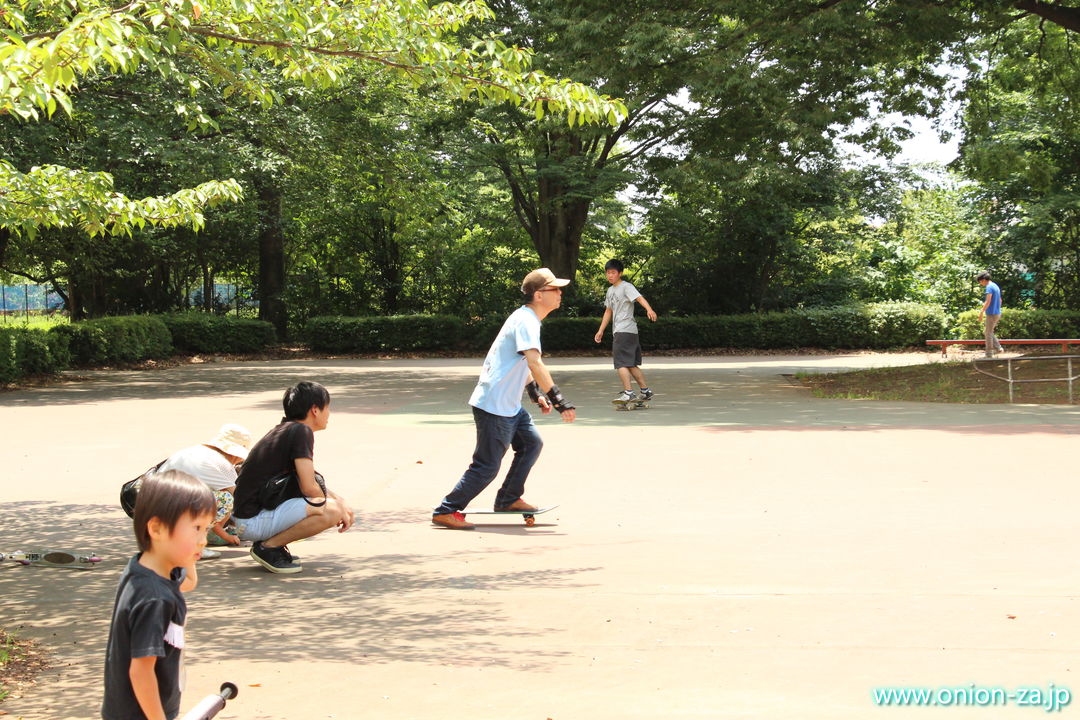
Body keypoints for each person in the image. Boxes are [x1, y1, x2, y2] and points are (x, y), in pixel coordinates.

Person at [432, 267, 577, 530]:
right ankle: (447, 510)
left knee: (531, 444)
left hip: (508, 405)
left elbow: (518, 363)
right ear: (538, 294)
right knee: (487, 466)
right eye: (554, 289)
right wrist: (559, 401)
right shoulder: (526, 320)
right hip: (494, 405)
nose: (559, 293)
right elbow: (534, 362)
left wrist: (534, 393)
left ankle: (509, 498)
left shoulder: (528, 319)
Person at [102, 470, 215, 720]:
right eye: (196, 528)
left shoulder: (144, 568)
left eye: (206, 529)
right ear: (156, 528)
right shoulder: (154, 598)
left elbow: (190, 582)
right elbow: (140, 672)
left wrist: (190, 552)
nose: (203, 540)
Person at [232, 381, 354, 574]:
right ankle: (268, 548)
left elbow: (310, 479)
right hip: (251, 522)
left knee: (333, 505)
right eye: (327, 407)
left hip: (247, 518)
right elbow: (309, 488)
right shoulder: (301, 432)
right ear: (315, 410)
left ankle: (272, 545)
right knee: (330, 510)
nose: (329, 413)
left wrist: (340, 501)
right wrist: (338, 509)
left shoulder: (286, 430)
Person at [155, 424, 252, 559]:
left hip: (153, 506)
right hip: (172, 510)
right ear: (234, 453)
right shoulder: (221, 463)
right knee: (226, 499)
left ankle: (200, 536)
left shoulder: (194, 451)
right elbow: (240, 499)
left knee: (209, 495)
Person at [593, 258, 658, 404]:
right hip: (624, 331)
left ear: (620, 273)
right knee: (630, 363)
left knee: (620, 363)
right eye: (607, 273)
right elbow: (608, 311)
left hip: (625, 330)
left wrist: (649, 309)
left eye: (613, 273)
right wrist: (601, 330)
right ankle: (645, 391)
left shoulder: (626, 286)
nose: (610, 275)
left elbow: (639, 298)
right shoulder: (610, 291)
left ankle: (629, 393)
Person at [977, 270, 1004, 358]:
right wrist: (997, 309)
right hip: (997, 313)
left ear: (984, 279)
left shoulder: (989, 287)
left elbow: (988, 301)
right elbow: (1000, 300)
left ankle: (989, 354)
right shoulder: (995, 286)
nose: (981, 284)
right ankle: (999, 348)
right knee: (988, 332)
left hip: (992, 313)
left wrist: (981, 312)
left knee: (988, 333)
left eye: (981, 281)